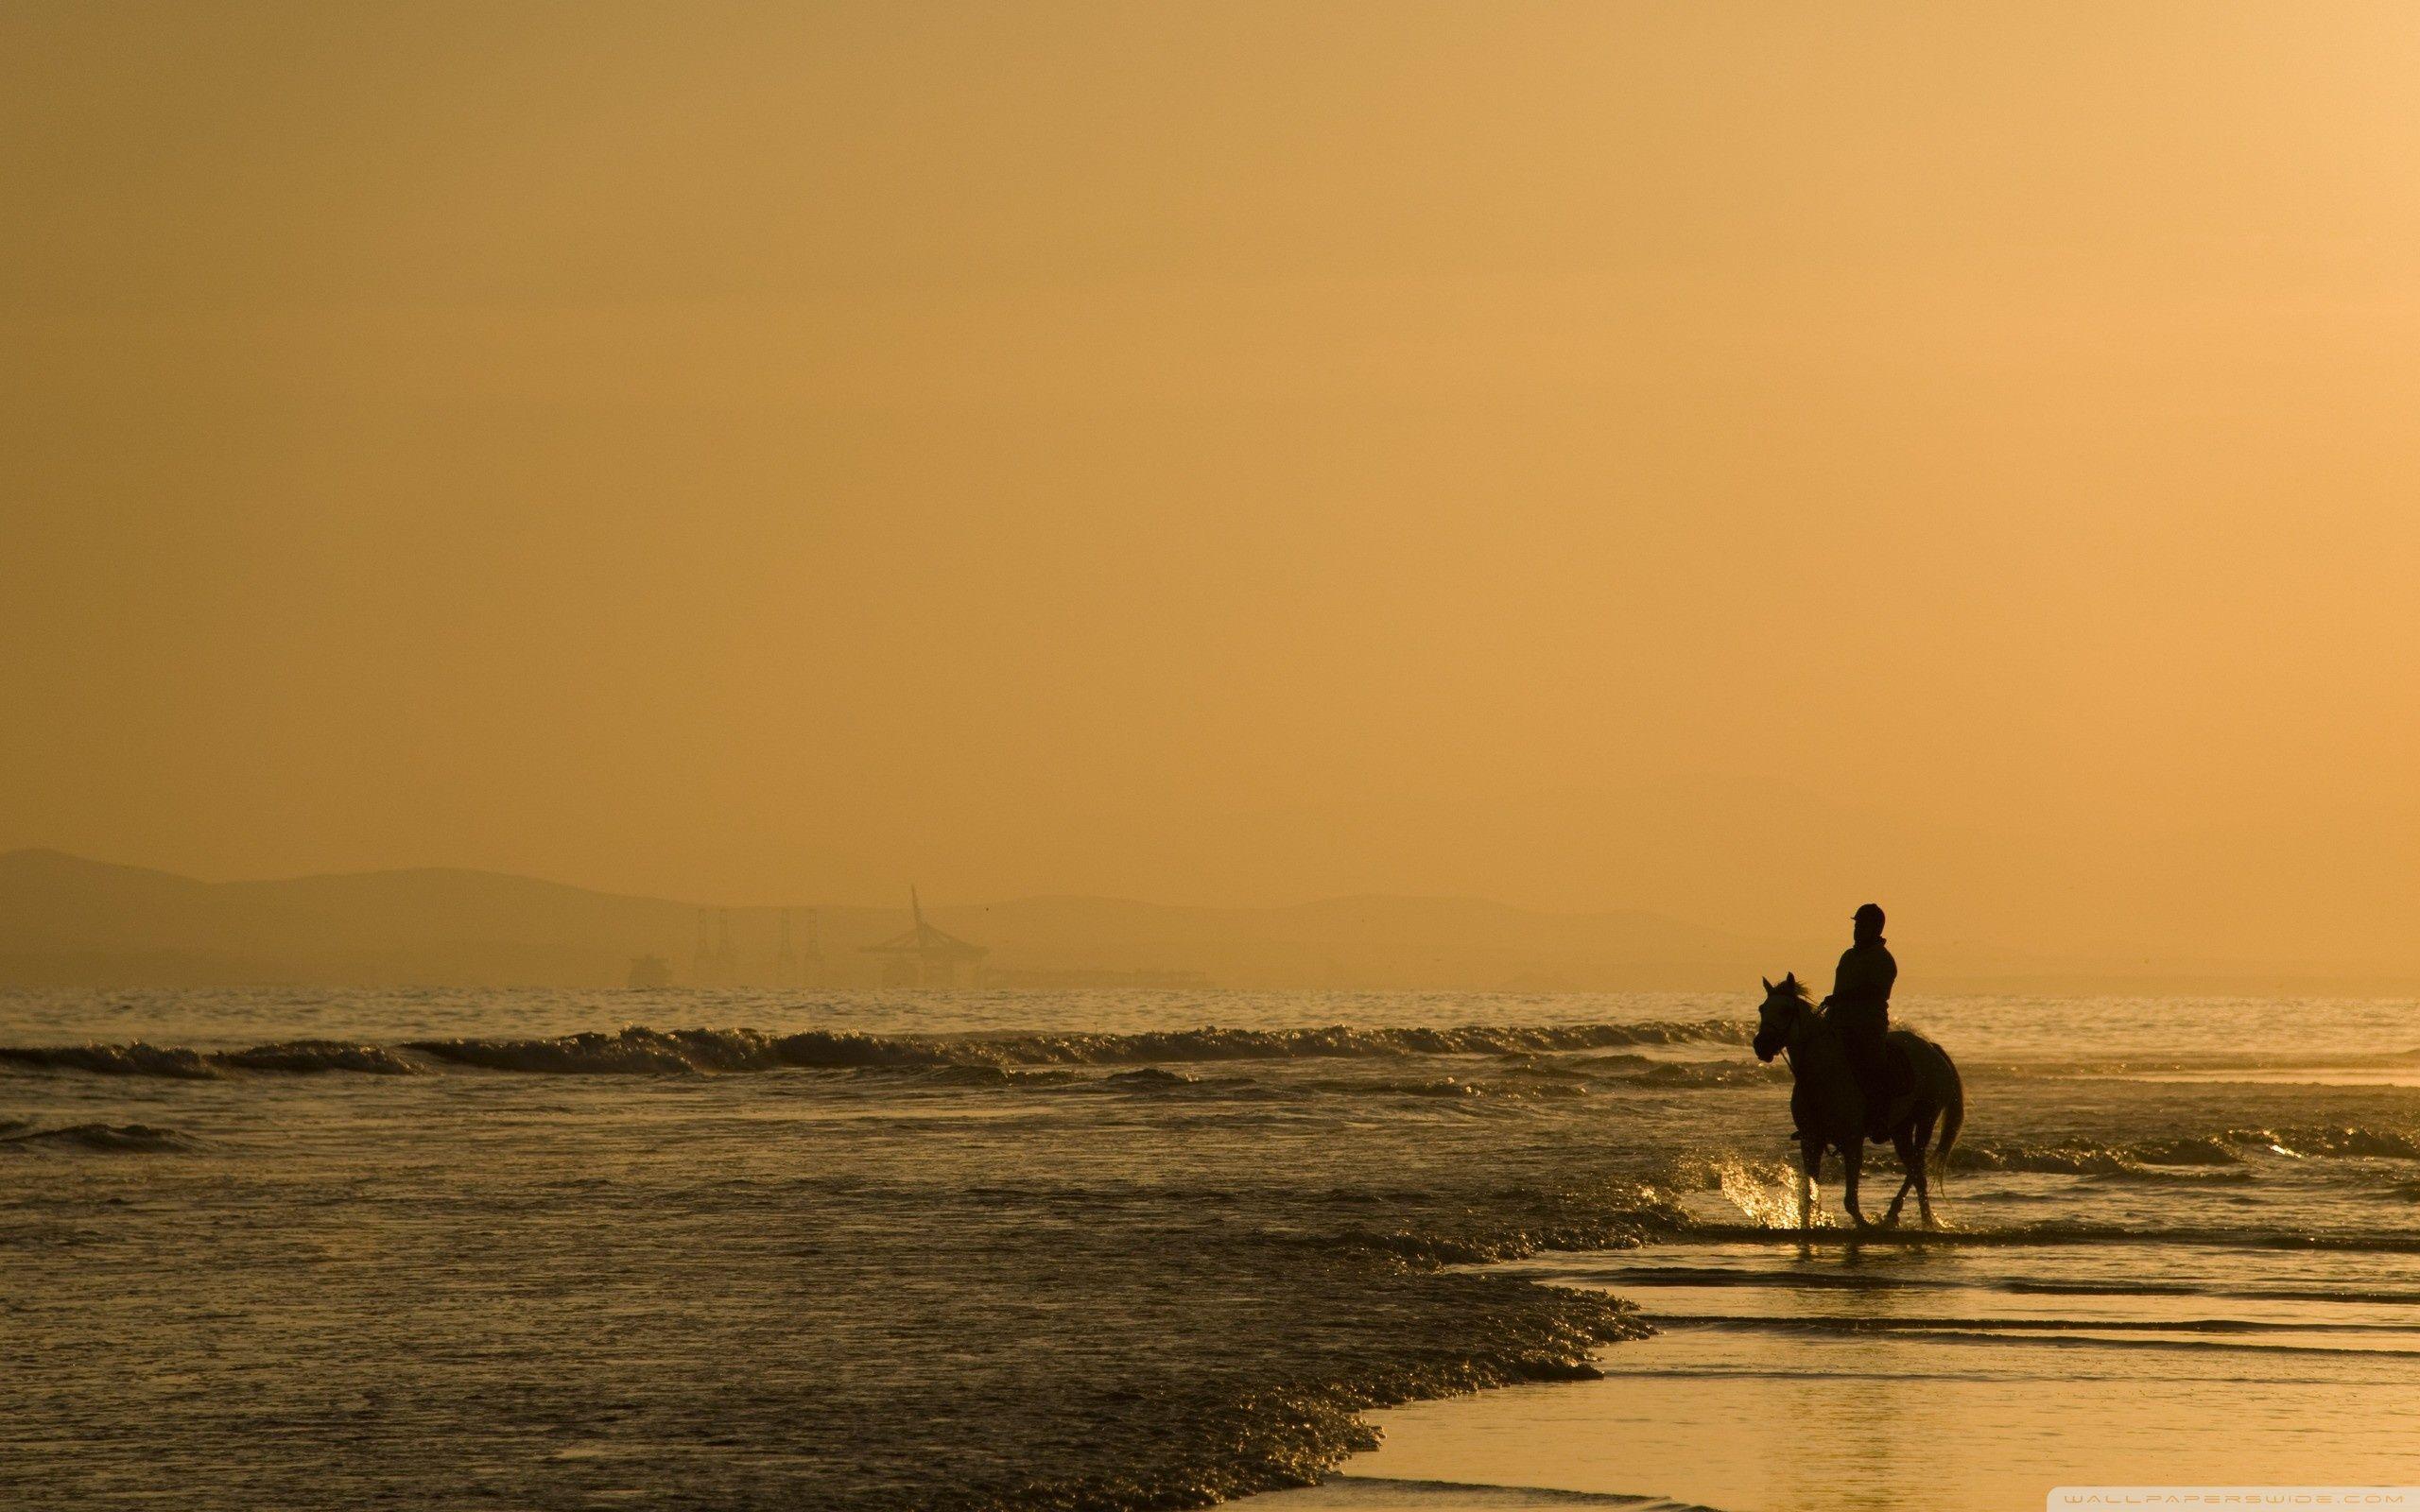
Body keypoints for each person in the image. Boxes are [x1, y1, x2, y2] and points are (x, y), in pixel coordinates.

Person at [1822, 902, 1900, 1139]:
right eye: (1856, 925)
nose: (1856, 930)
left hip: (1868, 1025)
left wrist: (1840, 999)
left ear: (1876, 929)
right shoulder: (1848, 956)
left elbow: (1875, 992)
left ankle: (1880, 1119)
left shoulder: (1883, 960)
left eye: (1862, 926)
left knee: (1873, 1066)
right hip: (1839, 1021)